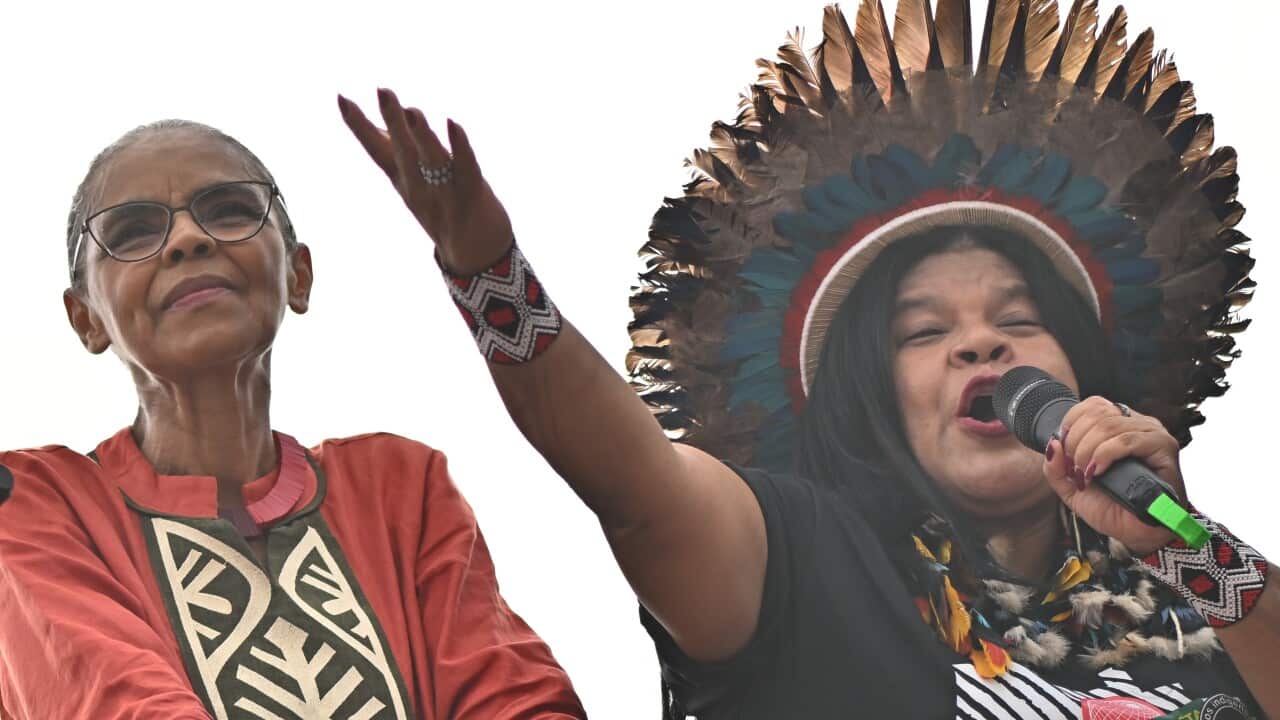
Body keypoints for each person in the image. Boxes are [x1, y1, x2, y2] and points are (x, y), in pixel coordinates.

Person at [338, 0, 1277, 717]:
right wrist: (489, 275)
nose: (980, 342)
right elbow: (630, 481)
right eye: (923, 331)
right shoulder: (804, 559)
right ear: (872, 391)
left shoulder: (1201, 594)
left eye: (1020, 320)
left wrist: (1189, 546)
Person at [0, 120, 586, 719]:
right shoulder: (33, 506)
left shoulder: (397, 488)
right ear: (86, 320)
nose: (186, 239)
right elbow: (109, 701)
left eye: (228, 211)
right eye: (132, 232)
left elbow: (517, 701)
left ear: (298, 275)